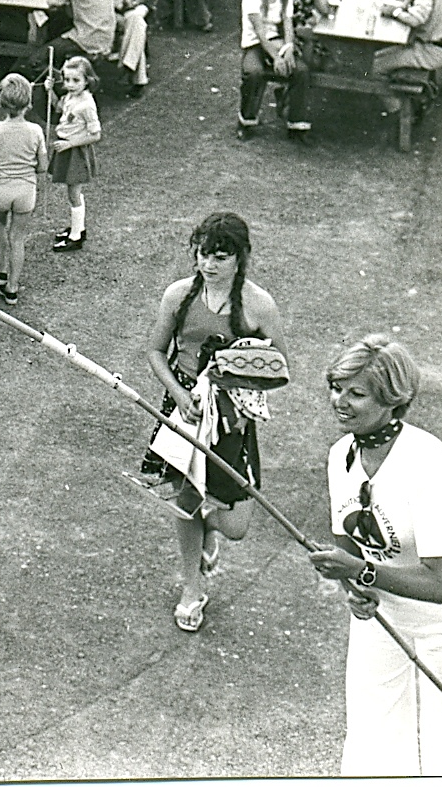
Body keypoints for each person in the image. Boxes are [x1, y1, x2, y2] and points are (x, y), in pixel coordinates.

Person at [308, 336, 442, 776]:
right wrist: (354, 588)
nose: (340, 402)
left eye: (356, 393)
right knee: (372, 736)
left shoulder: (427, 462)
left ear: (392, 400)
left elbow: (437, 584)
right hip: (381, 616)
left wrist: (361, 573)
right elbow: (349, 545)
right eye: (337, 387)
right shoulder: (341, 456)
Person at [143, 213, 287, 633]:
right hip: (183, 409)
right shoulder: (179, 295)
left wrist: (242, 398)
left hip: (231, 419)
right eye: (203, 254)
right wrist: (181, 394)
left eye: (220, 257)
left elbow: (280, 367)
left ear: (240, 259)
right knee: (185, 500)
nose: (208, 264)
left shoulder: (259, 305)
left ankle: (212, 525)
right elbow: (155, 351)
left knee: (237, 525)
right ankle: (192, 589)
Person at [0, 73, 47, 308]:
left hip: (0, 189)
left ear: (1, 100)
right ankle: (12, 288)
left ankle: (0, 270)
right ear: (28, 102)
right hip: (25, 191)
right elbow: (43, 167)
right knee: (18, 238)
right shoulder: (36, 131)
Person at [237, 0, 308, 140]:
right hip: (255, 44)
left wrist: (289, 49)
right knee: (254, 73)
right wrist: (276, 58)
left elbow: (287, 25)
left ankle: (296, 126)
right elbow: (260, 33)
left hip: (277, 42)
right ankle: (246, 122)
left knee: (301, 71)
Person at [47, 56, 101, 253]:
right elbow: (58, 111)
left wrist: (70, 143)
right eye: (67, 80)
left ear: (87, 80)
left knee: (73, 192)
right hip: (66, 147)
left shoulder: (87, 104)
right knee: (73, 192)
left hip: (75, 151)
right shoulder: (69, 97)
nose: (70, 84)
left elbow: (96, 134)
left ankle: (76, 237)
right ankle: (79, 228)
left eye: (76, 80)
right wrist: (50, 91)